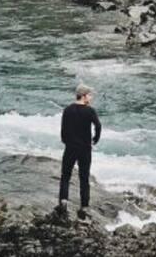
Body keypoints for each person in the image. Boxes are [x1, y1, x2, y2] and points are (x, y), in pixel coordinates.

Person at [58, 83, 101, 219]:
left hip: (70, 147)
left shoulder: (67, 110)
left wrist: (66, 141)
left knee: (65, 175)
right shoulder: (90, 111)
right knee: (84, 178)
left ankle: (63, 202)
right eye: (90, 95)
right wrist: (95, 139)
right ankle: (84, 206)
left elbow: (63, 130)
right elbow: (98, 126)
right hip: (84, 149)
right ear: (84, 96)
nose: (91, 97)